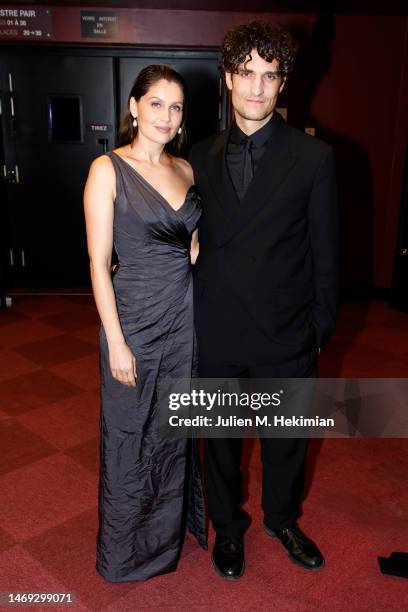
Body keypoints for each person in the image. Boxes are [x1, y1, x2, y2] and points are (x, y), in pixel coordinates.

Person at [189, 21, 339, 579]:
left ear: (283, 84)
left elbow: (328, 255)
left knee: (285, 442)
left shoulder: (314, 158)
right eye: (246, 73)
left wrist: (318, 329)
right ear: (229, 77)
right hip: (218, 328)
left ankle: (283, 519)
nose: (256, 87)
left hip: (286, 331)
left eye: (269, 75)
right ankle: (228, 529)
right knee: (221, 443)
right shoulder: (197, 157)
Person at [84, 64, 206, 583]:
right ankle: (125, 552)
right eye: (155, 103)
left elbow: (193, 246)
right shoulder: (107, 169)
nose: (166, 115)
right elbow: (97, 263)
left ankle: (166, 538)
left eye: (175, 106)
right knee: (130, 434)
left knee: (174, 430)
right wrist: (115, 340)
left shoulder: (187, 169)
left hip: (185, 319)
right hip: (133, 320)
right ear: (134, 107)